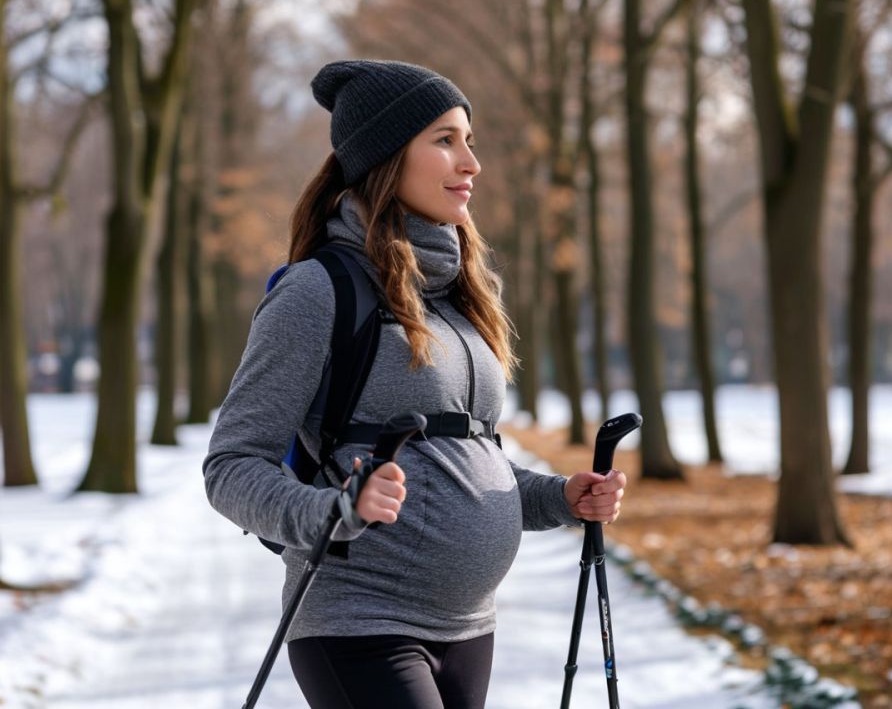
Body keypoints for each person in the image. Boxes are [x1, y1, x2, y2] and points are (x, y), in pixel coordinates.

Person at [203, 59, 628, 709]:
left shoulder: (462, 298)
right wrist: (331, 511)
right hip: (358, 621)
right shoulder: (318, 291)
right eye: (445, 140)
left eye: (470, 140)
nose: (471, 163)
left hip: (469, 630)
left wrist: (560, 497)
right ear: (385, 158)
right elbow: (231, 466)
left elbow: (462, 458)